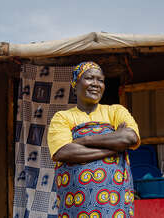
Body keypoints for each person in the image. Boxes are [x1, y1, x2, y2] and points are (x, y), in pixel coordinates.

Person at [48, 61, 141, 218]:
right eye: (90, 78)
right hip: (76, 205)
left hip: (114, 203)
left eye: (100, 80)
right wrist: (114, 147)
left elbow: (130, 137)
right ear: (75, 84)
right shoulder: (62, 117)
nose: (96, 84)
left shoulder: (116, 111)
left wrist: (84, 140)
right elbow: (63, 152)